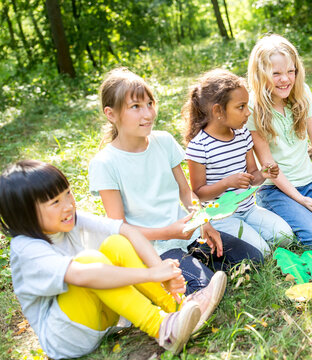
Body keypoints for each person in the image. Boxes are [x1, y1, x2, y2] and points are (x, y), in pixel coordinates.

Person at [0, 160, 224, 358]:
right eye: (55, 202)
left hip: (101, 319)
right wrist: (149, 273)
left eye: (68, 193)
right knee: (87, 262)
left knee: (116, 243)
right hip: (66, 337)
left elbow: (126, 230)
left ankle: (177, 306)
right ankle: (162, 328)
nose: (68, 205)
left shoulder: (71, 219)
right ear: (26, 215)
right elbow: (80, 274)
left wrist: (161, 270)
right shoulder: (26, 248)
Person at [88, 68, 263, 296]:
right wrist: (168, 232)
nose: (148, 114)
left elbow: (186, 192)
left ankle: (193, 269)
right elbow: (119, 228)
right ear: (111, 114)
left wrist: (203, 221)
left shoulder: (164, 141)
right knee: (204, 287)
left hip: (187, 233)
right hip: (153, 247)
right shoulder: (105, 163)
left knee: (253, 260)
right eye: (135, 107)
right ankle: (159, 283)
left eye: (150, 103)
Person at [246, 34, 312, 248]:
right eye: (275, 73)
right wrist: (300, 199)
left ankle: (304, 211)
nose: (285, 79)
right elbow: (269, 165)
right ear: (260, 75)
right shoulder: (253, 107)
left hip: (309, 181)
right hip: (275, 188)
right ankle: (278, 214)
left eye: (290, 71)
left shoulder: (302, 93)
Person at [183, 69, 294, 255]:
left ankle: (249, 239)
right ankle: (225, 241)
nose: (248, 112)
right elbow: (199, 194)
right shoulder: (199, 147)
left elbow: (252, 177)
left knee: (285, 236)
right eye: (241, 107)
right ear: (218, 110)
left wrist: (264, 174)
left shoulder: (242, 135)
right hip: (221, 217)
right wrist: (227, 182)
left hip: (249, 209)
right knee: (263, 252)